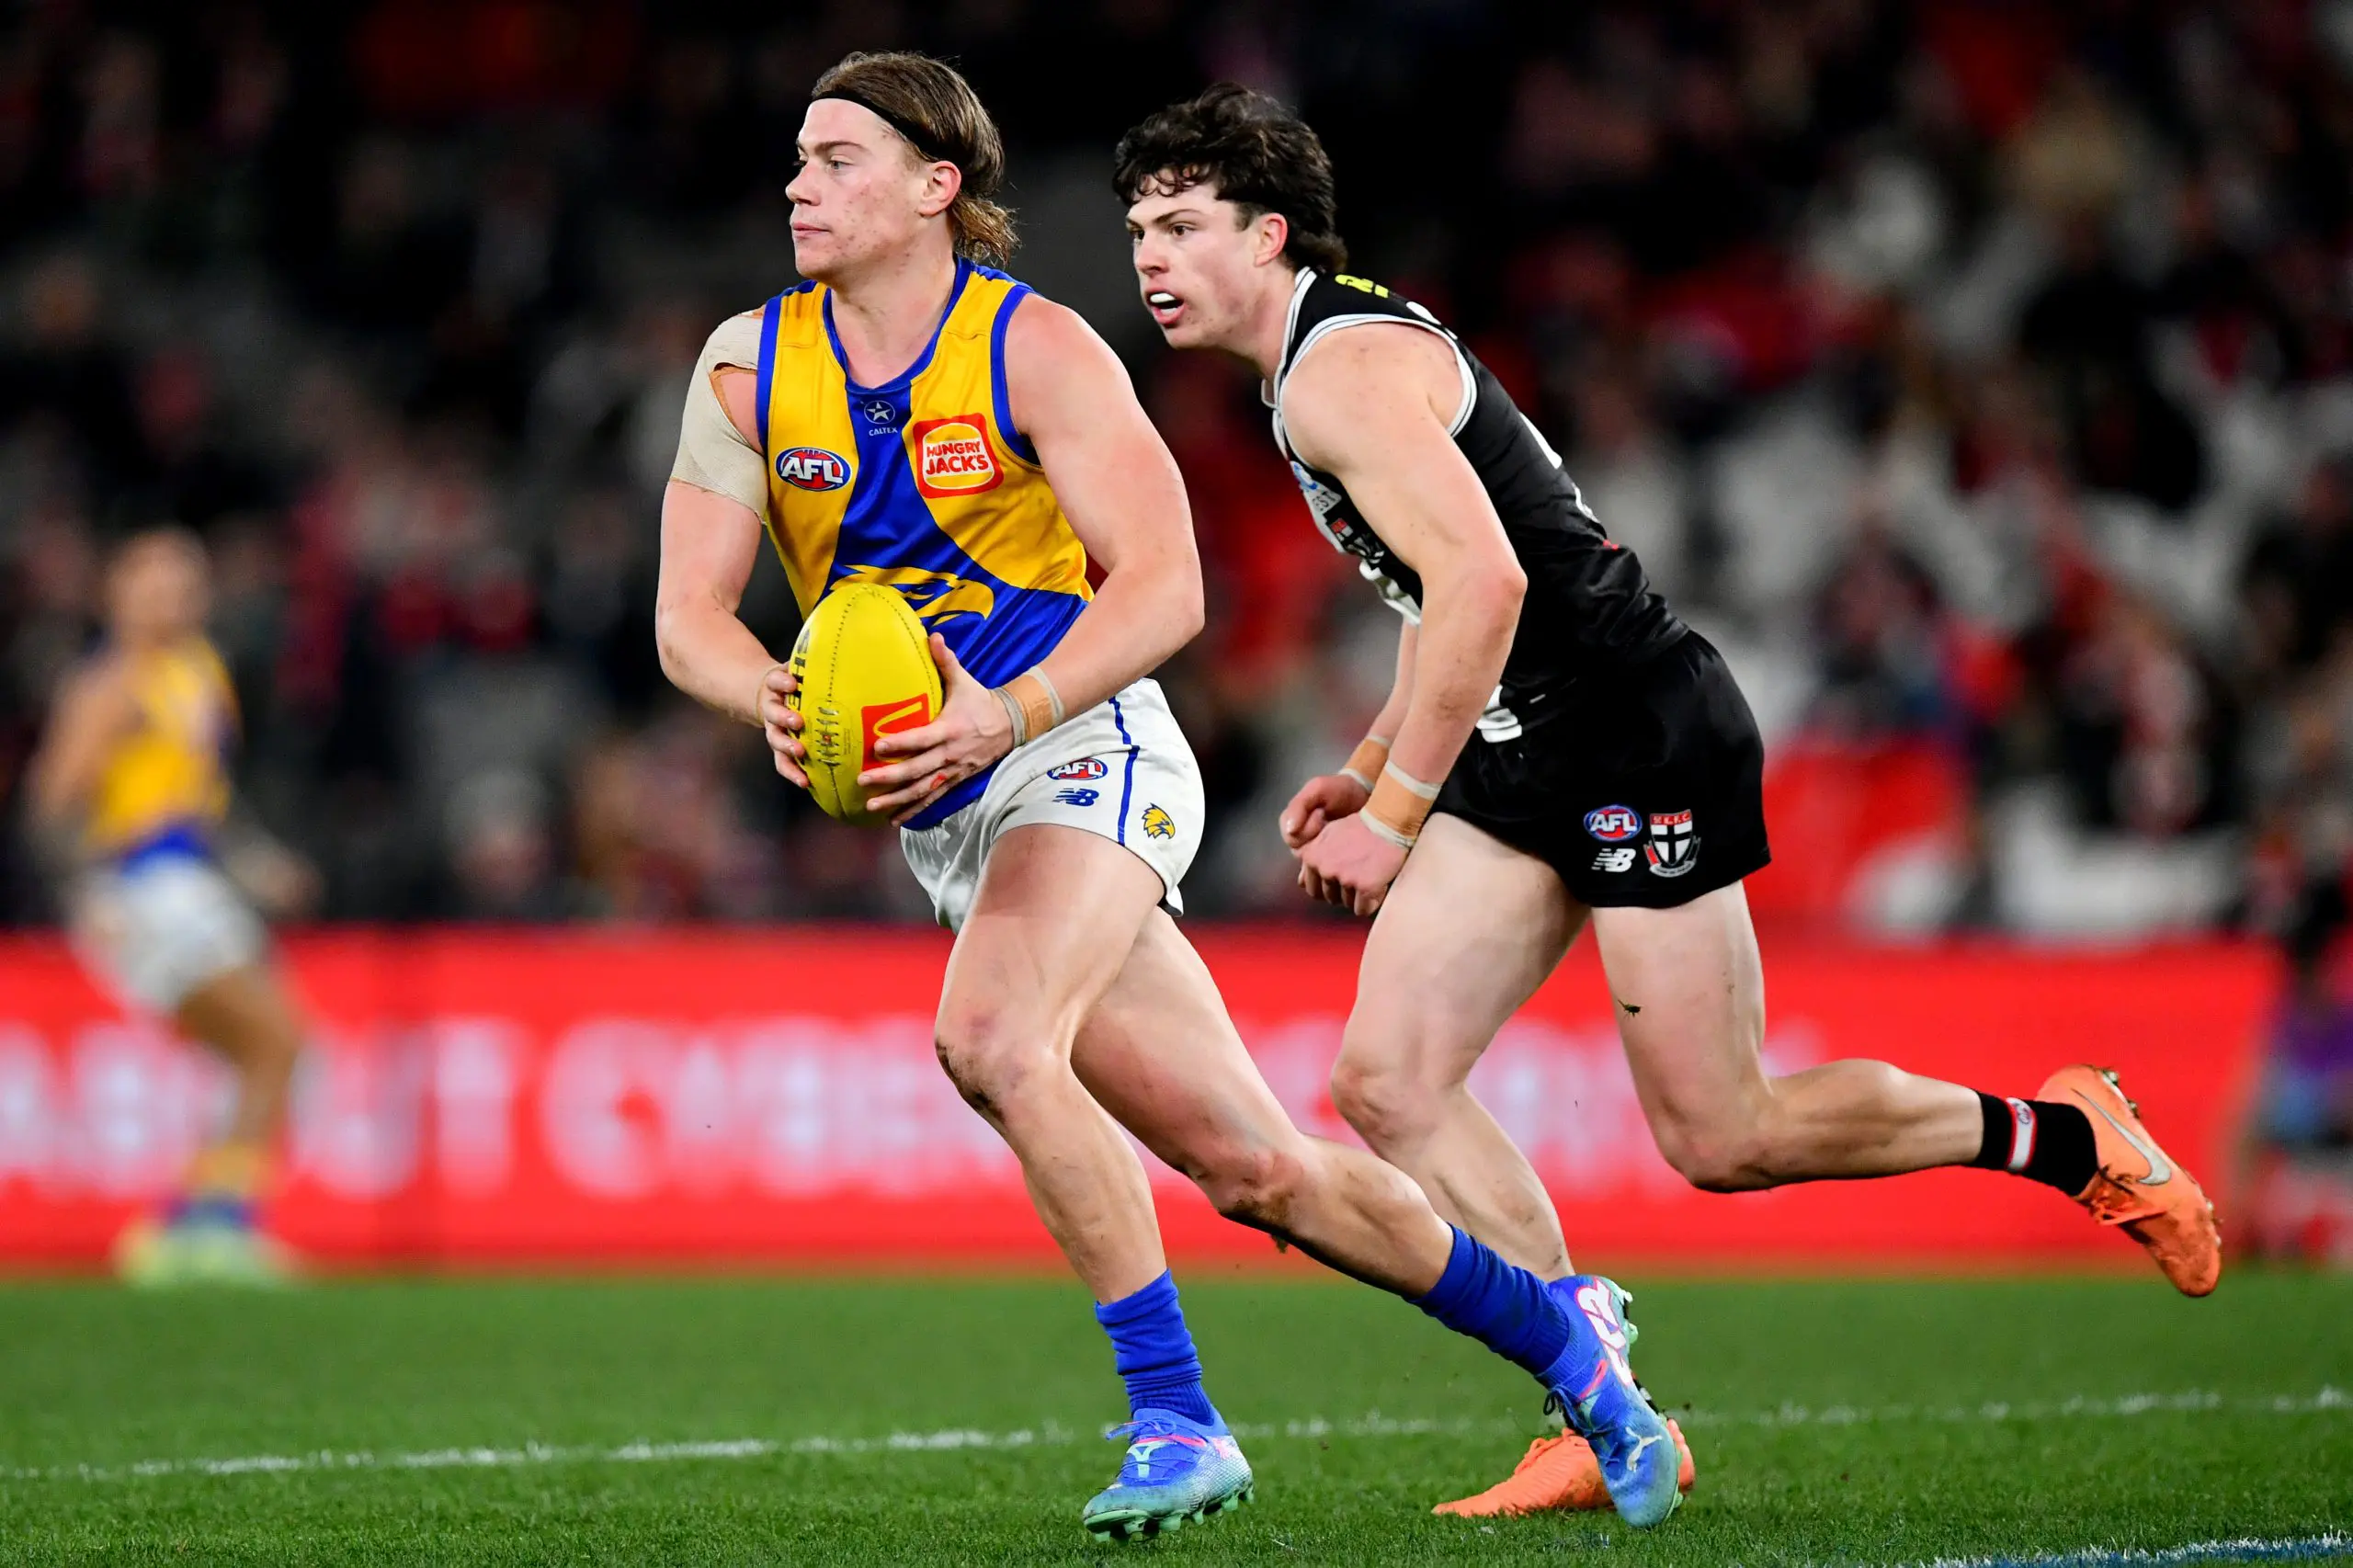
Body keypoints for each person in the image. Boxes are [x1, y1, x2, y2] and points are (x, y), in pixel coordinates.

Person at [1115, 83, 2223, 1517]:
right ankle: (1595, 1392)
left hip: (1636, 733)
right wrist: (1381, 753)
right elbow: (1440, 580)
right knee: (1386, 1080)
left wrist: (1394, 815)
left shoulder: (1335, 373)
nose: (1151, 256)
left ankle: (2070, 1135)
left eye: (1185, 225)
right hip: (1525, 743)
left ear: (1270, 235)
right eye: (1142, 225)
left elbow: (1489, 583)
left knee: (1724, 1136)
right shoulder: (1307, 361)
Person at [654, 51, 1688, 1541]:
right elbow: (690, 619)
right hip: (950, 805)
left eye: (837, 158)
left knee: (994, 1037)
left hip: (1080, 745)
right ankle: (1574, 1356)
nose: (799, 184)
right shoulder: (745, 366)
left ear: (940, 185)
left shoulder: (1037, 350)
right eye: (800, 160)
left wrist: (1003, 710)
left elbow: (1168, 587)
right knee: (1258, 1169)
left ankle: (1176, 1418)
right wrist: (772, 692)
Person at [27, 527, 314, 1286]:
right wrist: (83, 894)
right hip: (141, 891)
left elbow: (203, 800)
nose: (172, 595)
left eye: (185, 580)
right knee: (274, 1041)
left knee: (260, 1053)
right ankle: (210, 1226)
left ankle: (190, 1227)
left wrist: (256, 862)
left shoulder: (199, 673)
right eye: (153, 579)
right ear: (115, 594)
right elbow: (51, 805)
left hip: (194, 885)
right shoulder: (109, 686)